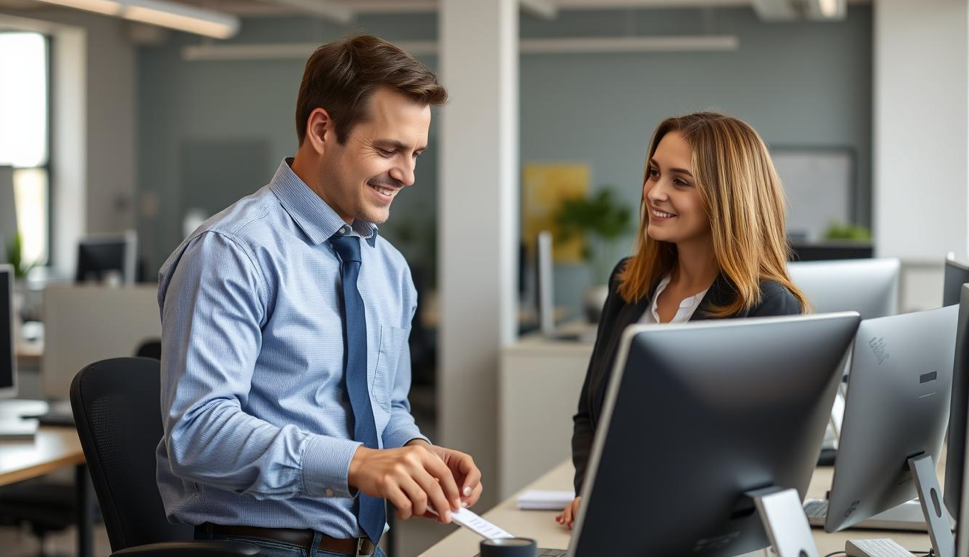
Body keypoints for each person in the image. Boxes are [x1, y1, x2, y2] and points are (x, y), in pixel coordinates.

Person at [156, 34, 482, 557]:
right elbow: (198, 432)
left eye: (416, 153)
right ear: (322, 129)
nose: (408, 174)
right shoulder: (232, 252)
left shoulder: (389, 268)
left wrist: (415, 452)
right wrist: (356, 463)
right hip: (258, 548)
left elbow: (386, 404)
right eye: (388, 149)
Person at [557, 112, 808, 528]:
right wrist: (590, 493)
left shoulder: (767, 306)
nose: (654, 192)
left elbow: (745, 458)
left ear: (727, 198)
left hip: (697, 534)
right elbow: (589, 416)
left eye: (680, 181)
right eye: (654, 173)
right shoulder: (628, 282)